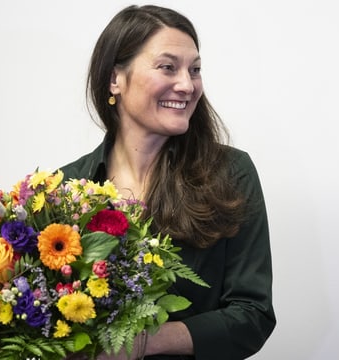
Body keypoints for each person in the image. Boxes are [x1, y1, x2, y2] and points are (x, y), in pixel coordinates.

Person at [59, 4, 275, 360]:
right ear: (116, 78)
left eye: (195, 70)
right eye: (168, 67)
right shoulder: (65, 187)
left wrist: (142, 341)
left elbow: (253, 315)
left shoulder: (231, 173)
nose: (187, 85)